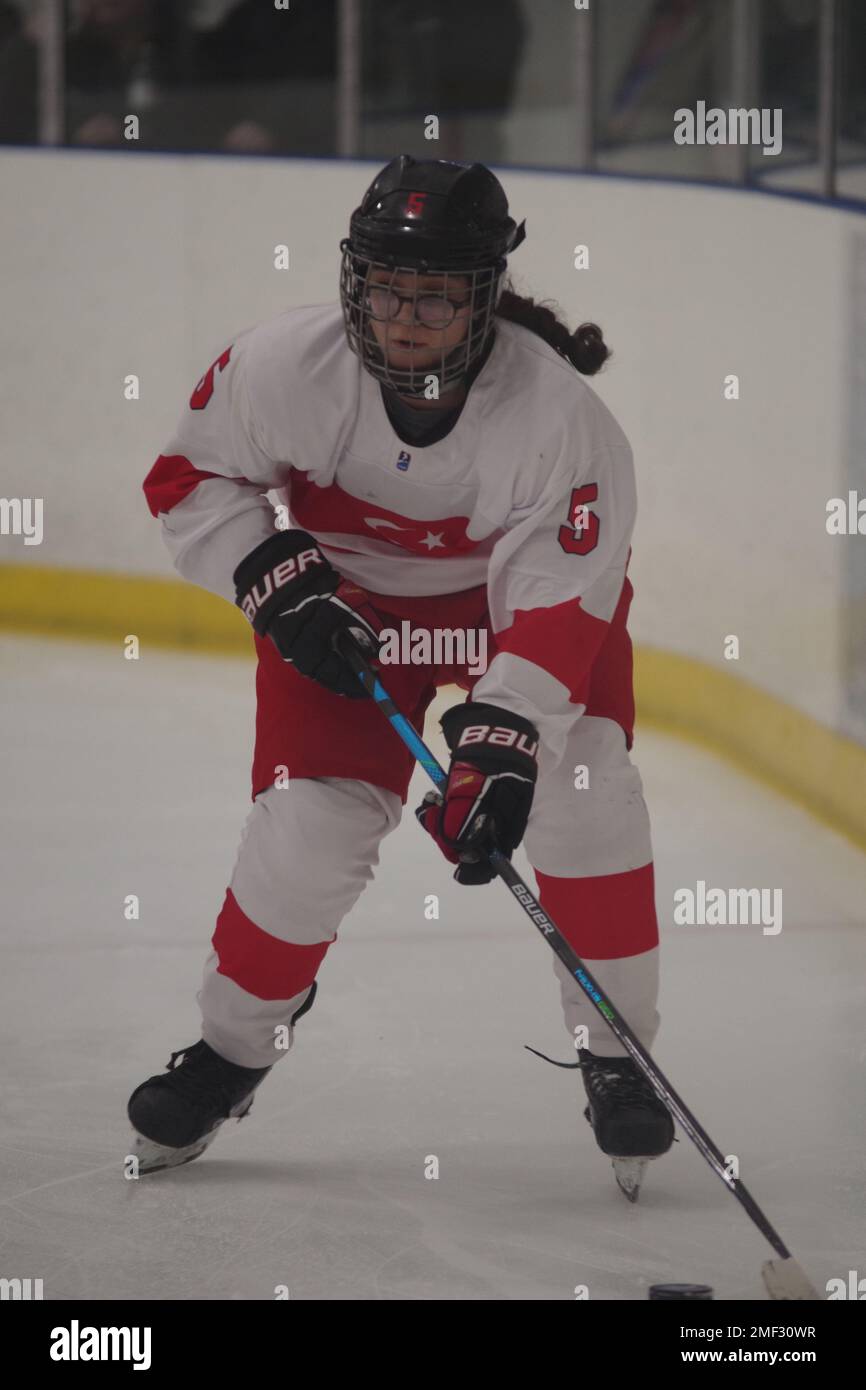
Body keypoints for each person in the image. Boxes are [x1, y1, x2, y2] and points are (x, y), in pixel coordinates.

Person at [130, 155, 674, 1189]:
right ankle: (232, 1048)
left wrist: (505, 734)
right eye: (384, 286)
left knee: (584, 787)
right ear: (352, 280)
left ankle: (618, 1055)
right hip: (347, 612)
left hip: (507, 615)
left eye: (434, 294)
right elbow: (189, 476)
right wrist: (268, 573)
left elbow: (562, 599)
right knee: (308, 827)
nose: (405, 316)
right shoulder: (283, 364)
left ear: (483, 298)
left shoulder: (559, 419)